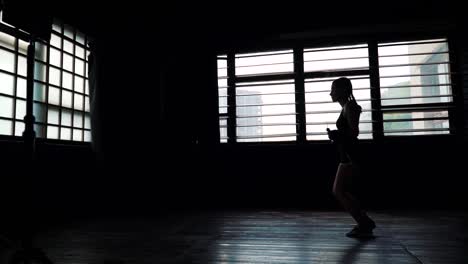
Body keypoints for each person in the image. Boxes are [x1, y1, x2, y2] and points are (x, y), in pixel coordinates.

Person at [327, 77, 376, 238]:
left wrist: (337, 134)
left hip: (350, 154)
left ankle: (364, 222)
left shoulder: (350, 107)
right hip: (346, 153)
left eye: (333, 89)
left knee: (339, 190)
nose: (330, 93)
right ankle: (364, 220)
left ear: (342, 90)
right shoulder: (347, 107)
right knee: (341, 190)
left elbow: (354, 132)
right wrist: (337, 135)